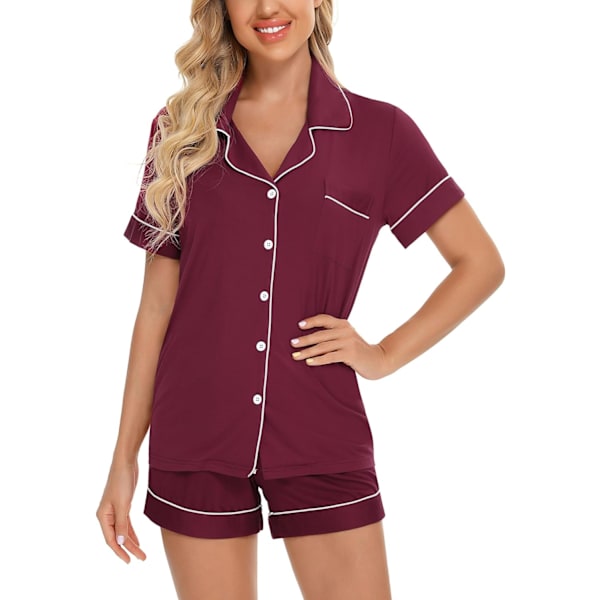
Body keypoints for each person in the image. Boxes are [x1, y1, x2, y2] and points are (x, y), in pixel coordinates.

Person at [96, 0, 505, 598]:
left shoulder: (381, 132)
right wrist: (124, 458)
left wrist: (383, 354)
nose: (268, 7)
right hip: (196, 431)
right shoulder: (180, 130)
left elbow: (479, 264)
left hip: (321, 432)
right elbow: (156, 308)